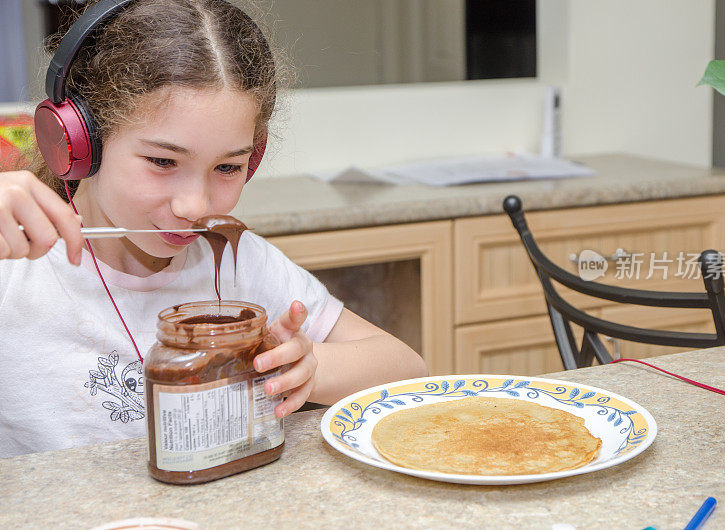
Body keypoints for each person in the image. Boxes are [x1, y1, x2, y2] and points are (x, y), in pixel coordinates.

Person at [0, 0, 427, 458]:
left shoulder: (243, 263)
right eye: (163, 161)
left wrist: (312, 365)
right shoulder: (14, 273)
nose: (195, 207)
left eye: (227, 167)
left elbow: (409, 370)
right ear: (79, 145)